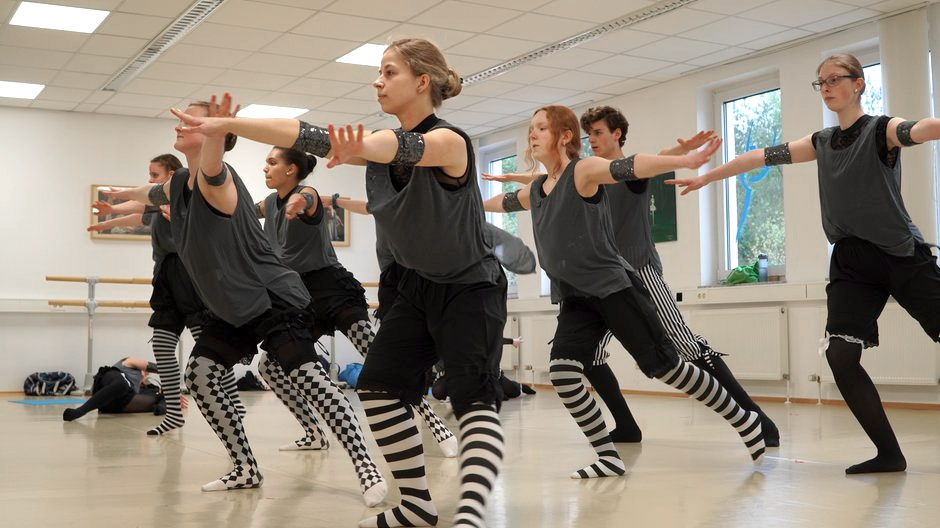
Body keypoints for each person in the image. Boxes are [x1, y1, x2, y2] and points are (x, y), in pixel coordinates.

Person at [173, 38, 506, 528]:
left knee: (473, 398)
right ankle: (416, 506)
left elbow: (395, 147)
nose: (377, 80)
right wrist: (226, 126)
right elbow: (304, 133)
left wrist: (354, 145)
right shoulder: (380, 147)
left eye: (389, 72)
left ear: (421, 82)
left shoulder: (450, 141)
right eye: (378, 71)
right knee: (377, 388)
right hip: (415, 287)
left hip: (471, 286)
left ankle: (472, 515)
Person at [669, 53, 940, 474]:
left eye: (835, 79)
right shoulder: (821, 142)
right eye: (821, 82)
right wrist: (707, 178)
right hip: (851, 262)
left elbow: (920, 129)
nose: (827, 87)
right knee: (841, 357)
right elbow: (759, 157)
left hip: (900, 254)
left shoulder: (881, 130)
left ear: (859, 84)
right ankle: (890, 453)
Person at [109, 98, 387, 506]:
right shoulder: (177, 183)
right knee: (201, 378)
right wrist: (117, 196)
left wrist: (217, 133)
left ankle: (365, 464)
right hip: (229, 306)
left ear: (215, 133)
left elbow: (212, 167)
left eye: (194, 119)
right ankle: (245, 468)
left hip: (270, 296)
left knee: (309, 378)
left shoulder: (214, 178)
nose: (180, 123)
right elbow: (149, 193)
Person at [484, 105, 765, 478]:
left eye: (540, 128)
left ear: (564, 136)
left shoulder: (583, 172)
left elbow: (629, 167)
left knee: (668, 369)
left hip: (615, 288)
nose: (531, 135)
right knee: (564, 373)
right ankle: (608, 456)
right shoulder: (536, 189)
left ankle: (743, 418)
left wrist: (684, 159)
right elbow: (496, 203)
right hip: (576, 298)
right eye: (530, 129)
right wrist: (459, 208)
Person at [255, 147, 458, 458]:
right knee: (269, 366)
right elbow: (237, 209)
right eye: (265, 162)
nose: (265, 168)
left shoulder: (305, 193)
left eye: (272, 162)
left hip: (331, 287)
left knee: (375, 353)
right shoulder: (269, 203)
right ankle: (312, 431)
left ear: (291, 169)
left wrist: (300, 201)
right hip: (297, 296)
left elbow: (308, 198)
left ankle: (432, 420)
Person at [89, 154, 249, 436]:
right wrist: (107, 217)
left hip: (192, 278)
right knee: (163, 346)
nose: (150, 180)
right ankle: (174, 413)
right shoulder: (158, 202)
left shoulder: (187, 196)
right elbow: (137, 211)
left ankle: (234, 402)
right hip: (166, 279)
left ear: (172, 174)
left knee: (209, 350)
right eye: (148, 174)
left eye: (154, 174)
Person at [62, 357, 168, 421]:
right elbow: (156, 367)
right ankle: (80, 411)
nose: (146, 373)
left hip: (116, 402)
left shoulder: (137, 386)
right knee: (121, 385)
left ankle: (163, 408)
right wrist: (169, 371)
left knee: (161, 397)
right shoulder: (128, 362)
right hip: (112, 379)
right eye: (145, 371)